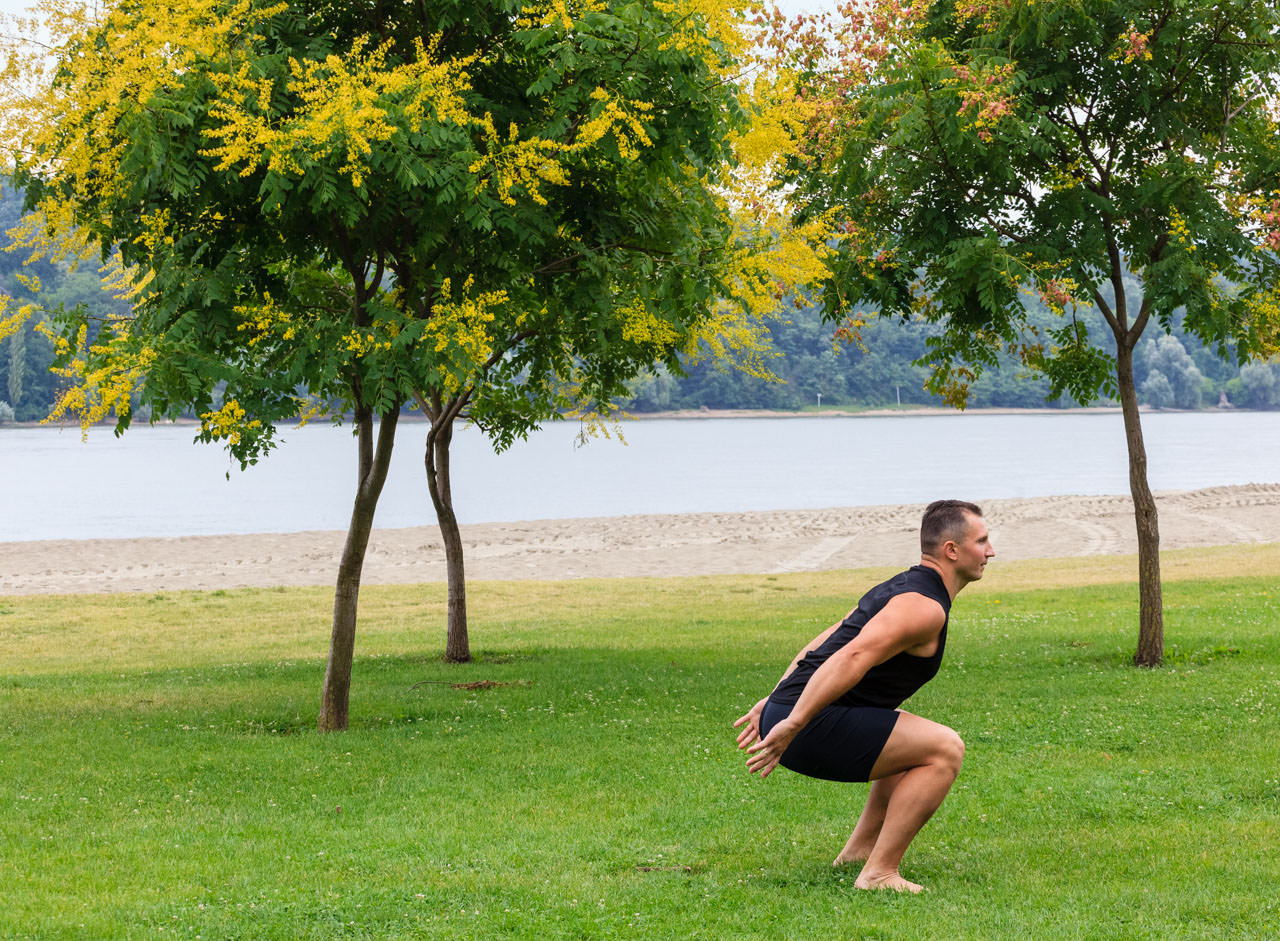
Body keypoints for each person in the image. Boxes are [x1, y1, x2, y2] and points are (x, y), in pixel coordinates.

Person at [733, 499, 994, 893]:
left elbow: (826, 638)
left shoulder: (905, 586)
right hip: (803, 725)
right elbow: (850, 654)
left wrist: (776, 699)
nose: (991, 551)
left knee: (905, 728)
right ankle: (879, 873)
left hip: (792, 712)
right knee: (944, 748)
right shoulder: (923, 608)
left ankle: (858, 853)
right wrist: (792, 720)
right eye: (983, 541)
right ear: (952, 550)